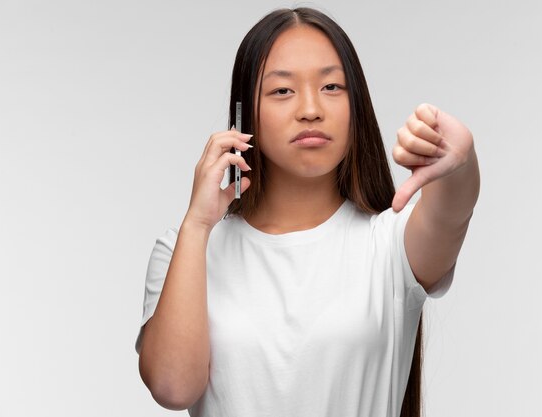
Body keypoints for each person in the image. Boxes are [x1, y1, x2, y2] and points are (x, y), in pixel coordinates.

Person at [135, 7, 480, 417]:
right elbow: (173, 387)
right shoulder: (185, 250)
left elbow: (452, 210)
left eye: (332, 86)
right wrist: (197, 224)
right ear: (245, 117)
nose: (311, 109)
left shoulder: (390, 244)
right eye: (282, 91)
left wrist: (461, 160)